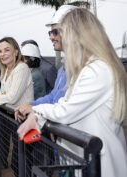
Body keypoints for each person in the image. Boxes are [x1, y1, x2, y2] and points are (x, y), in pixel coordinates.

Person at [17, 7, 127, 177]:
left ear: (78, 35)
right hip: (87, 159)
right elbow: (63, 103)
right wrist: (37, 115)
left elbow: (66, 112)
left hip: (101, 163)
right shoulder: (88, 69)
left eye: (61, 32)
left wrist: (35, 111)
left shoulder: (98, 70)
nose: (58, 37)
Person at [0, 37, 33, 176]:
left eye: (6, 50)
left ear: (16, 52)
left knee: (22, 161)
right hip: (12, 118)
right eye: (0, 51)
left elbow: (12, 97)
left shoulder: (21, 68)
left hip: (23, 119)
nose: (2, 54)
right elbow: (4, 93)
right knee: (17, 162)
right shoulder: (6, 70)